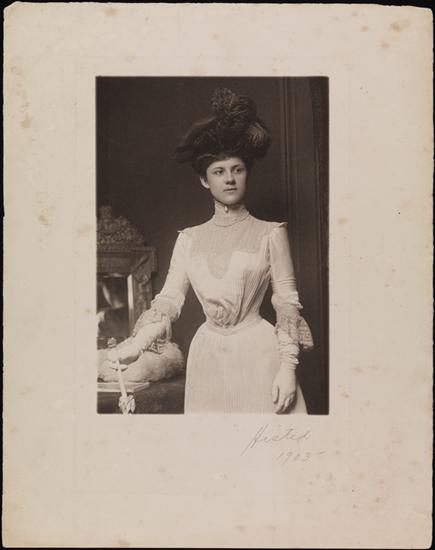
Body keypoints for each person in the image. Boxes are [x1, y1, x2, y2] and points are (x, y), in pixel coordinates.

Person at [105, 87, 313, 413]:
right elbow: (169, 300)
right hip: (208, 356)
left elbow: (287, 302)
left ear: (246, 173)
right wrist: (137, 346)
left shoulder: (271, 233)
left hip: (259, 353)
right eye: (219, 171)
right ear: (205, 180)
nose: (229, 179)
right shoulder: (189, 239)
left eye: (237, 169)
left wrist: (287, 369)